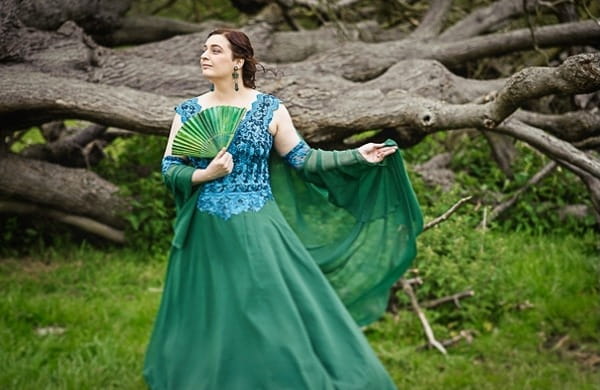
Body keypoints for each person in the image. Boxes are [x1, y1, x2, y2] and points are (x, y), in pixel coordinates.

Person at [143, 28, 423, 389]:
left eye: (215, 50)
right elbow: (170, 168)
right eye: (204, 49)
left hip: (259, 223)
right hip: (206, 229)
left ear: (238, 61)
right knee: (213, 313)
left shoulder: (269, 109)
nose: (205, 55)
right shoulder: (189, 111)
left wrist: (357, 155)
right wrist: (204, 174)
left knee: (267, 306)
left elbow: (303, 159)